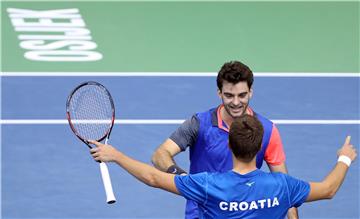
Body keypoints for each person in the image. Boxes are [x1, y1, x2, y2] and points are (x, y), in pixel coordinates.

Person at [89, 114, 357, 219]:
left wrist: (115, 155)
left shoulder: (208, 185)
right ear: (258, 147)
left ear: (230, 145)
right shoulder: (283, 186)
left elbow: (153, 177)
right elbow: (329, 188)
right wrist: (344, 157)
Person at [151, 60, 297, 218]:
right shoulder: (199, 124)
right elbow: (160, 154)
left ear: (251, 92)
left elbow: (285, 189)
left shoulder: (267, 130)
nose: (235, 102)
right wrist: (182, 177)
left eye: (242, 95)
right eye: (229, 95)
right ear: (219, 93)